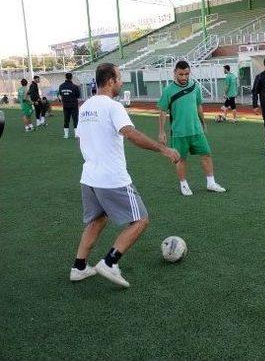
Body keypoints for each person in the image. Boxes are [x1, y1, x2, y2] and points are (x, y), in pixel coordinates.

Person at [71, 63, 180, 287]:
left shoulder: (85, 106)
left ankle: (79, 267)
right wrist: (164, 149)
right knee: (140, 220)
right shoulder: (113, 106)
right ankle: (110, 262)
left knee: (97, 219)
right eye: (119, 78)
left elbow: (80, 139)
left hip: (89, 177)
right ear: (110, 81)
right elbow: (130, 133)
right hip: (112, 178)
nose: (121, 82)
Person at [158, 60, 226, 196]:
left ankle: (211, 183)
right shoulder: (168, 90)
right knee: (180, 159)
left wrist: (203, 122)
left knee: (206, 154)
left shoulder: (195, 86)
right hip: (179, 132)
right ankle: (183, 185)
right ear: (175, 73)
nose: (184, 77)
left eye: (186, 74)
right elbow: (162, 111)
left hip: (196, 130)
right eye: (181, 74)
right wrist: (161, 132)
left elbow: (199, 106)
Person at [58, 72, 81, 138]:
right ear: (71, 78)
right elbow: (78, 96)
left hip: (65, 105)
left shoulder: (61, 86)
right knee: (75, 119)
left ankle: (66, 135)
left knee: (66, 119)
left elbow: (60, 95)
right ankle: (76, 134)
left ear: (65, 77)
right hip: (73, 105)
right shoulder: (74, 86)